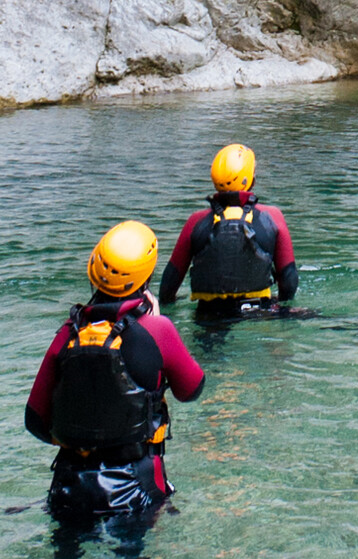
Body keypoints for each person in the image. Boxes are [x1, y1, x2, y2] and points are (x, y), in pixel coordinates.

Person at [26, 221, 205, 521]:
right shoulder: (157, 329)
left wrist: (87, 444)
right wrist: (160, 326)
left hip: (70, 488)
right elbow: (191, 389)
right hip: (134, 489)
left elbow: (35, 420)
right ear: (146, 276)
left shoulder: (69, 333)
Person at [158, 143, 301, 321]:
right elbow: (289, 282)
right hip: (259, 314)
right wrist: (282, 305)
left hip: (208, 316)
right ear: (251, 180)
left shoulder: (195, 221)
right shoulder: (273, 217)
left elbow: (167, 287)